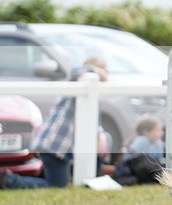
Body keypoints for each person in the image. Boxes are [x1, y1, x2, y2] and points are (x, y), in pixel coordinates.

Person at [0, 57, 111, 189]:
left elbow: (93, 122)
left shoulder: (89, 95)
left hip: (56, 147)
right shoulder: (78, 84)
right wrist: (95, 71)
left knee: (56, 181)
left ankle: (10, 179)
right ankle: (8, 180)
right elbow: (75, 71)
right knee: (56, 185)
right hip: (54, 146)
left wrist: (101, 134)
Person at [112, 115, 165, 185]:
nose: (161, 132)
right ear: (146, 132)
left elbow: (157, 161)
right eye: (157, 130)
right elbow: (136, 161)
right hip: (129, 170)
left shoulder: (158, 143)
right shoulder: (142, 140)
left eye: (161, 130)